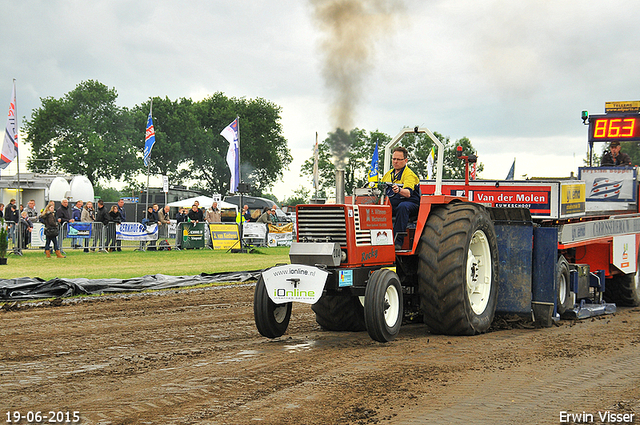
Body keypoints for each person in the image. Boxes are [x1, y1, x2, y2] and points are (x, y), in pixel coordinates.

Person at [381, 146, 421, 250]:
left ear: (405, 160)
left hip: (411, 204)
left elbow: (408, 193)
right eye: (394, 159)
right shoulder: (388, 174)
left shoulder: (409, 175)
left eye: (398, 159)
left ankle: (397, 242)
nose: (395, 162)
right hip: (393, 203)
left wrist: (399, 190)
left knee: (403, 207)